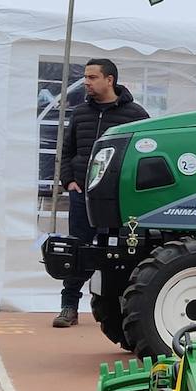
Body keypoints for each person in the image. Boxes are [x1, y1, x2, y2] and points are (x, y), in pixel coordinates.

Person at [53, 58, 150, 328]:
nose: (86, 82)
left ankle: (120, 311)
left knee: (120, 255)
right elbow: (68, 149)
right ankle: (68, 306)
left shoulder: (136, 115)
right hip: (81, 197)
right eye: (86, 76)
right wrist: (68, 181)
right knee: (78, 251)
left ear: (110, 80)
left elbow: (145, 154)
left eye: (92, 77)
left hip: (117, 201)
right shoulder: (81, 112)